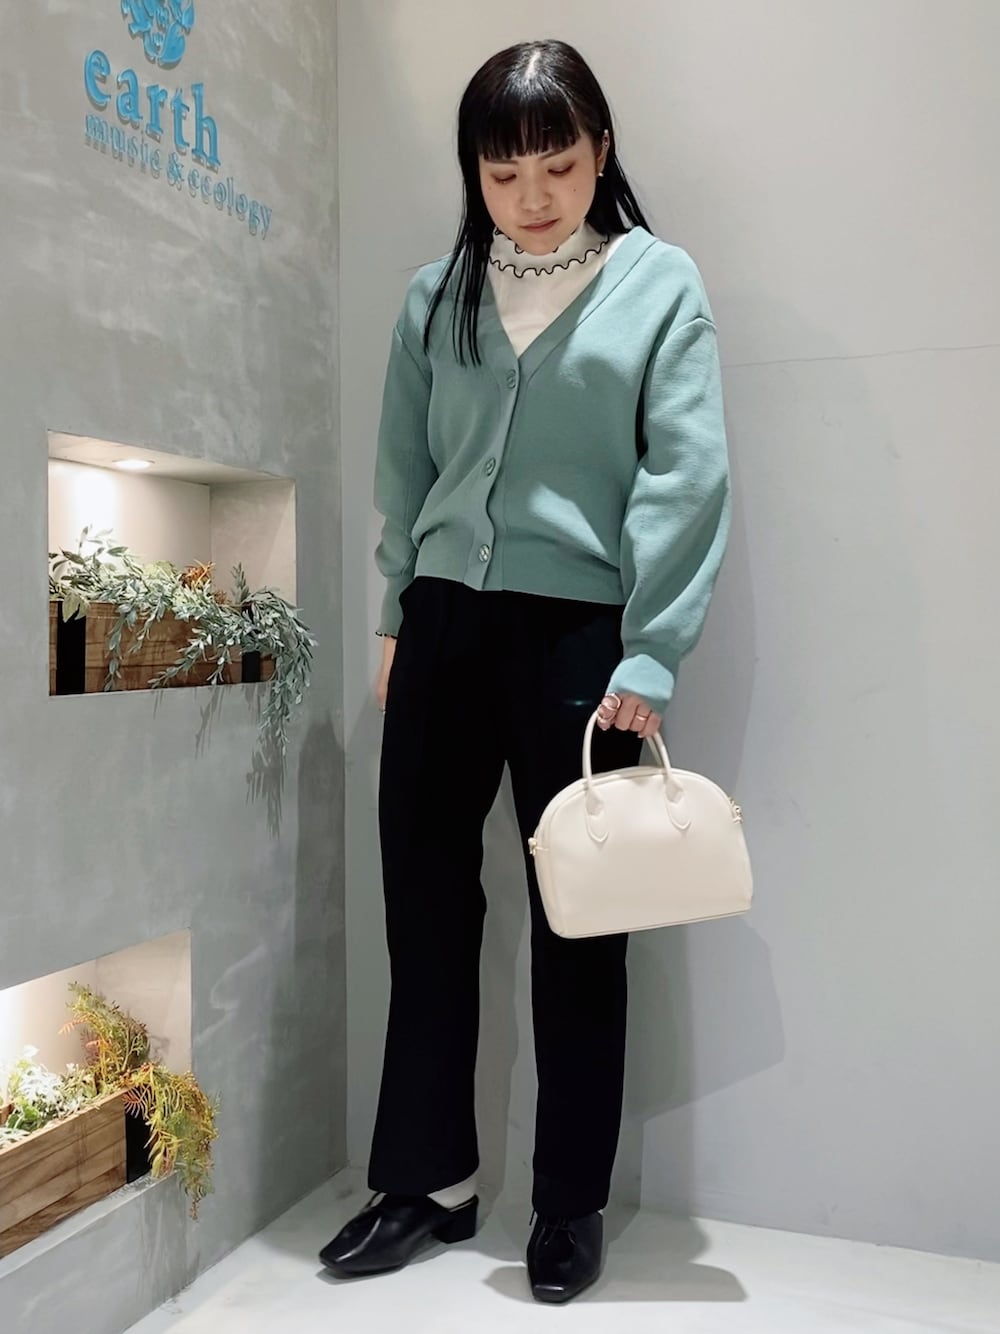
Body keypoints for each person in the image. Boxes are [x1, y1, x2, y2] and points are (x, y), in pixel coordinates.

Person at [320, 38, 730, 1304]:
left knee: (582, 918)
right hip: (441, 621)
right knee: (425, 904)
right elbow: (403, 469)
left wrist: (652, 648)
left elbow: (685, 475)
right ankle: (427, 1183)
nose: (533, 195)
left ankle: (569, 1202)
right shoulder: (434, 296)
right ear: (474, 175)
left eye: (557, 163)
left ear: (600, 152)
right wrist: (395, 615)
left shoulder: (657, 285)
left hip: (581, 640)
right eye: (504, 174)